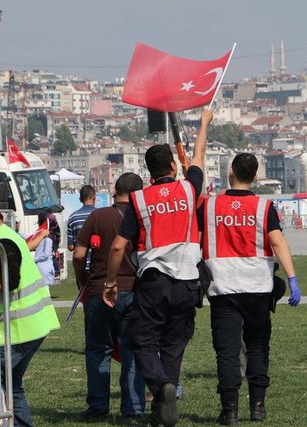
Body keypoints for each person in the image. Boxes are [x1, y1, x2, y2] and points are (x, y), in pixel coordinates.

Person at [103, 109, 214, 427]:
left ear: (149, 172)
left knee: (142, 340)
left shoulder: (139, 200)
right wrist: (203, 124)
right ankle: (165, 403)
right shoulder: (189, 189)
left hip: (153, 281)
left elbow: (118, 246)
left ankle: (160, 386)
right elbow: (199, 154)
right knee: (174, 344)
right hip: (188, 281)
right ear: (174, 167)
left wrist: (110, 282)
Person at [198, 153, 301, 425]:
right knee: (257, 346)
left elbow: (196, 239)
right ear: (255, 177)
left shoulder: (209, 206)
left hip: (223, 287)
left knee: (227, 351)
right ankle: (257, 406)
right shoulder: (264, 207)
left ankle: (229, 410)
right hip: (258, 287)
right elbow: (277, 242)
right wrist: (292, 278)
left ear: (230, 172)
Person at [0, 190, 60, 427]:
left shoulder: (2, 241)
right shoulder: (7, 236)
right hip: (28, 326)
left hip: (16, 331)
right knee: (10, 386)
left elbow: (10, 281)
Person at [73, 172, 145, 420]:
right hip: (134, 290)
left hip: (98, 288)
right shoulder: (143, 217)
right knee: (132, 350)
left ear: (115, 190)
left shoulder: (98, 216)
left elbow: (79, 255)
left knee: (97, 349)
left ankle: (98, 405)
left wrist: (83, 279)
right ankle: (133, 407)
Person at [67, 185, 96, 252]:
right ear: (94, 197)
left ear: (80, 199)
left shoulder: (73, 217)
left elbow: (70, 247)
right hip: (97, 257)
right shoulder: (100, 214)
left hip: (79, 257)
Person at [33, 211, 54, 285]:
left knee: (45, 288)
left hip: (44, 268)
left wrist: (34, 259)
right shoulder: (40, 234)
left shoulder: (47, 237)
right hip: (41, 267)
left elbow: (46, 254)